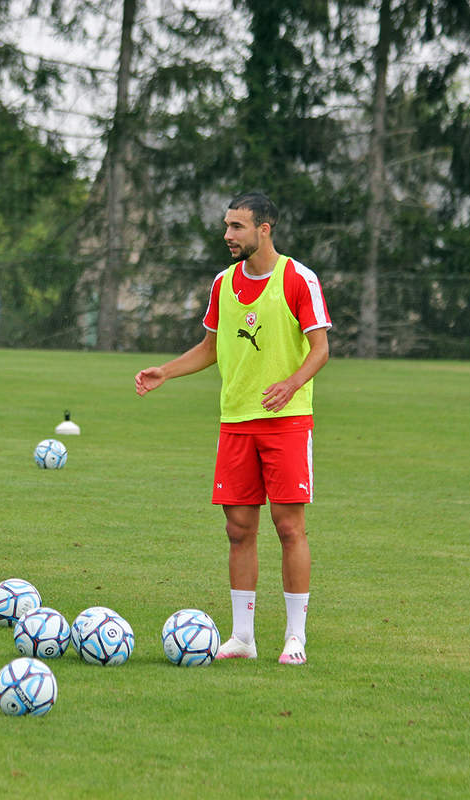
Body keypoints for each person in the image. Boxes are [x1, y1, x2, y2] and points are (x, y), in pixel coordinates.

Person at [134, 192, 331, 665]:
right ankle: (243, 638)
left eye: (237, 227)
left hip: (285, 423)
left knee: (289, 529)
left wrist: (291, 384)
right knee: (238, 529)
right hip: (237, 422)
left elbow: (320, 348)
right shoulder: (223, 283)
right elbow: (210, 348)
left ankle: (295, 638)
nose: (227, 235)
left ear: (265, 229)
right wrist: (166, 371)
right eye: (227, 226)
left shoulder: (298, 278)